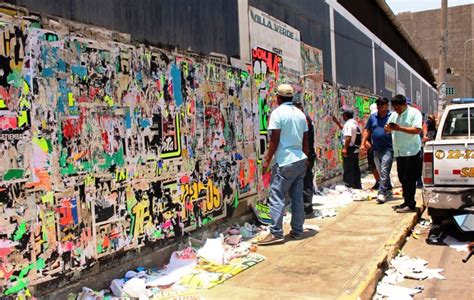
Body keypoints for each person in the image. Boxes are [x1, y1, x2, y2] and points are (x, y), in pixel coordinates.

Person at [258, 84, 309, 245]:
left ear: (278, 98)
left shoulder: (277, 113)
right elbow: (306, 139)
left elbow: (274, 140)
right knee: (297, 197)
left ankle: (276, 232)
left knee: (277, 196)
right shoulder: (300, 114)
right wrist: (306, 158)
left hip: (284, 161)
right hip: (300, 159)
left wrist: (266, 161)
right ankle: (298, 230)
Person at [384, 94, 422, 213]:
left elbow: (417, 129)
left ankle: (411, 204)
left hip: (411, 151)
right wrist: (388, 128)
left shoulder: (414, 113)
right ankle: (406, 201)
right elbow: (388, 128)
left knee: (409, 178)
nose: (397, 110)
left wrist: (399, 128)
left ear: (405, 104)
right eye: (395, 108)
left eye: (399, 108)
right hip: (399, 152)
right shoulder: (394, 115)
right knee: (402, 178)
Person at [361, 97, 393, 203]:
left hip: (389, 148)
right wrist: (363, 143)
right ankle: (388, 188)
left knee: (384, 170)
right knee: (381, 171)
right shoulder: (373, 117)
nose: (379, 106)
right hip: (376, 149)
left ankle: (382, 193)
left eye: (382, 104)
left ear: (387, 105)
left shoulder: (392, 116)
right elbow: (367, 130)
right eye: (378, 104)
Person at [292, 95, 316, 218]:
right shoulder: (304, 117)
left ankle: (307, 209)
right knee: (304, 182)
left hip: (305, 156)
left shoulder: (302, 119)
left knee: (305, 182)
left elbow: (305, 139)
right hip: (306, 155)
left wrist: (305, 157)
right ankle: (304, 208)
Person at [332, 108, 362, 189]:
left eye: (343, 115)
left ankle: (348, 185)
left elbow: (348, 136)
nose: (342, 116)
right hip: (354, 148)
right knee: (355, 167)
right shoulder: (354, 123)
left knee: (348, 167)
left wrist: (345, 148)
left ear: (345, 115)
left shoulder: (349, 124)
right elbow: (345, 131)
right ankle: (357, 184)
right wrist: (337, 123)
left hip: (349, 148)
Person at [367, 103, 380, 190]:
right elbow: (367, 132)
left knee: (381, 166)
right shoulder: (371, 120)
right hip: (372, 147)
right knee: (372, 166)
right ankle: (378, 182)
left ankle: (383, 183)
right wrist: (366, 142)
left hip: (381, 147)